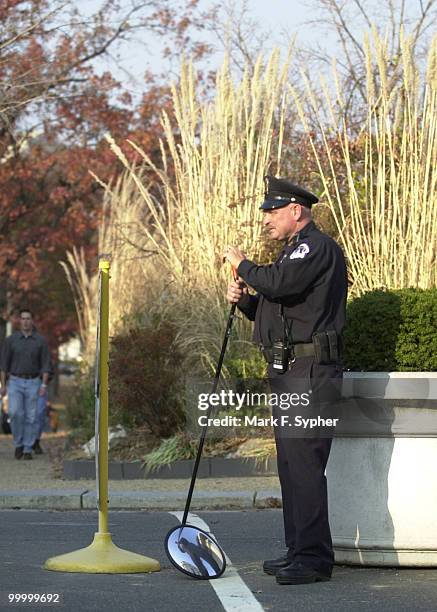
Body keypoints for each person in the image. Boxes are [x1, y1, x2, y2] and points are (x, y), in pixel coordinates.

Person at [223, 175, 348, 586]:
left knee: (305, 466)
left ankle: (313, 559)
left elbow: (281, 284)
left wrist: (241, 263)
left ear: (297, 211)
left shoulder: (314, 246)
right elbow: (279, 307)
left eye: (273, 212)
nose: (266, 220)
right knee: (291, 466)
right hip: (291, 370)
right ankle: (298, 550)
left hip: (310, 372)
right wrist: (247, 303)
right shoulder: (293, 251)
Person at [0, 309, 52, 460]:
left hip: (34, 382)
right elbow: (3, 365)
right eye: (23, 319)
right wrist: (3, 385)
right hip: (14, 381)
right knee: (15, 413)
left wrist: (43, 385)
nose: (25, 321)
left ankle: (28, 448)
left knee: (31, 416)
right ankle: (18, 444)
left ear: (32, 321)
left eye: (28, 318)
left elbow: (46, 364)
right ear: (19, 321)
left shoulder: (40, 341)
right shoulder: (11, 340)